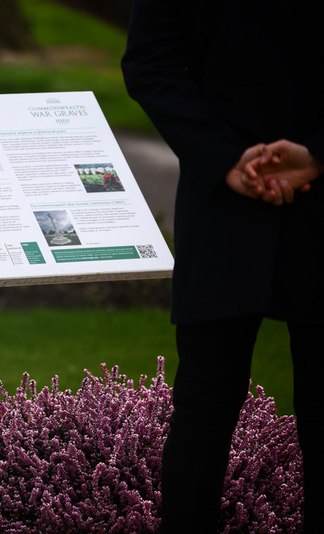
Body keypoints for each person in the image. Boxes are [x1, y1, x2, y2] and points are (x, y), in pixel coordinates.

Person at [121, 1, 324, 532]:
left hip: (225, 202)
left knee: (203, 406)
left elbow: (151, 64)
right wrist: (315, 155)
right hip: (250, 201)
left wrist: (224, 156)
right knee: (207, 405)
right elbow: (150, 63)